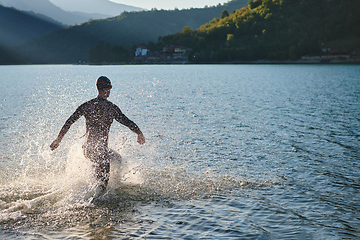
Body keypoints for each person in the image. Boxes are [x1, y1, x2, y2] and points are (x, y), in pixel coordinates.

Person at [50, 76, 145, 195]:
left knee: (117, 159)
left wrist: (58, 140)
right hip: (100, 151)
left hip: (88, 149)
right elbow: (127, 122)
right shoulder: (111, 107)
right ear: (106, 89)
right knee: (102, 183)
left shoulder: (86, 105)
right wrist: (139, 133)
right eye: (109, 88)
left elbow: (69, 122)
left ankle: (112, 186)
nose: (110, 91)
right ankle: (96, 199)